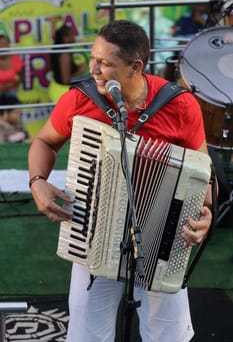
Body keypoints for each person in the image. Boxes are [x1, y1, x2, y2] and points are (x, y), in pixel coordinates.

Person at [28, 20, 214, 342]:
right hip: (92, 234)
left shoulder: (180, 106)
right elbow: (44, 141)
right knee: (86, 336)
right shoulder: (80, 100)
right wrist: (37, 181)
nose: (94, 69)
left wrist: (206, 212)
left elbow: (203, 171)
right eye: (93, 58)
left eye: (105, 63)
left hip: (162, 240)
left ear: (135, 67)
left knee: (168, 337)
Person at [48, 24, 89, 102]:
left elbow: (50, 67)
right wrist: (80, 71)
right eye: (72, 35)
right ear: (65, 38)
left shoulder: (54, 49)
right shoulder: (65, 54)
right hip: (62, 92)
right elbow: (66, 80)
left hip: (55, 87)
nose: (74, 37)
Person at [0, 34, 24, 100]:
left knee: (16, 109)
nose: (3, 47)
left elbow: (21, 77)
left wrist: (8, 86)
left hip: (12, 92)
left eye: (5, 44)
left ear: (9, 45)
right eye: (0, 44)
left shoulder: (15, 58)